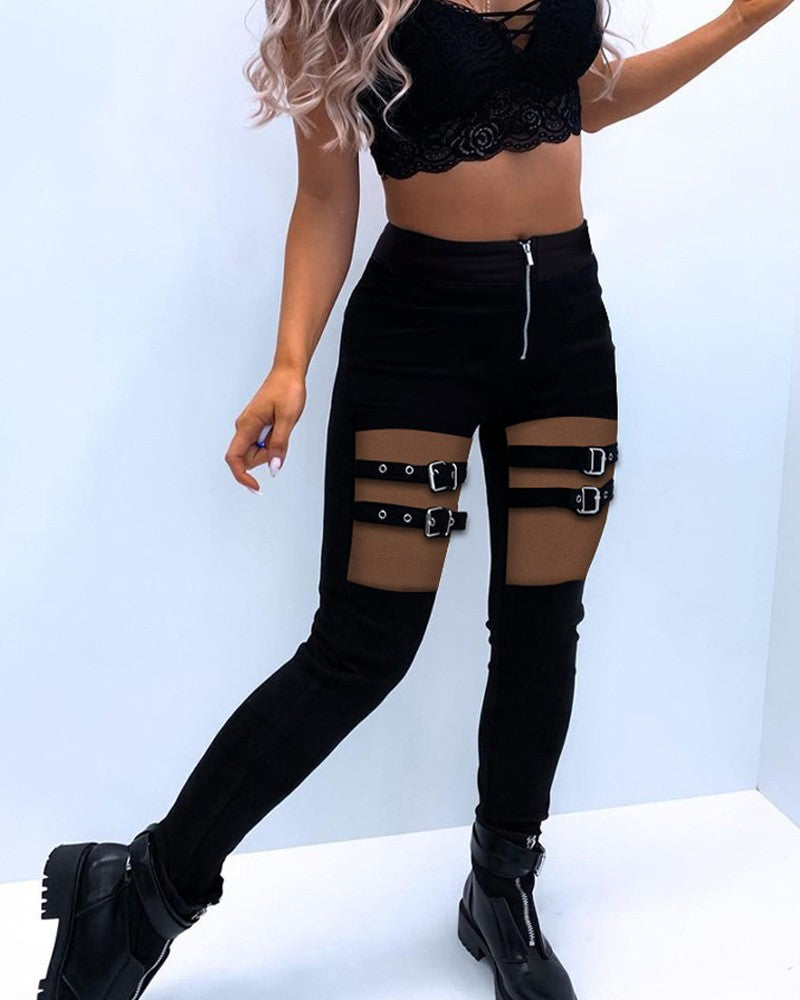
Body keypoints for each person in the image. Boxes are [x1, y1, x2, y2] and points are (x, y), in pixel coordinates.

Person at [35, 0, 791, 997]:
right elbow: (323, 196)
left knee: (542, 622)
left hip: (565, 328)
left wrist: (742, 19)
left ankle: (501, 884)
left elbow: (580, 99)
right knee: (360, 648)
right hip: (418, 340)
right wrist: (290, 362)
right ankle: (141, 893)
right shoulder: (341, 4)